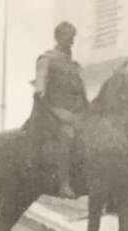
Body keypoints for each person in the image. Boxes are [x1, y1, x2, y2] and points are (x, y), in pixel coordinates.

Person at [32, 21, 88, 199]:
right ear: (58, 37)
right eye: (69, 37)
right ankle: (64, 183)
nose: (72, 41)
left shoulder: (75, 65)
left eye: (73, 37)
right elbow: (41, 76)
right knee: (67, 134)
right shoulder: (47, 58)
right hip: (54, 112)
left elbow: (82, 92)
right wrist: (39, 89)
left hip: (76, 114)